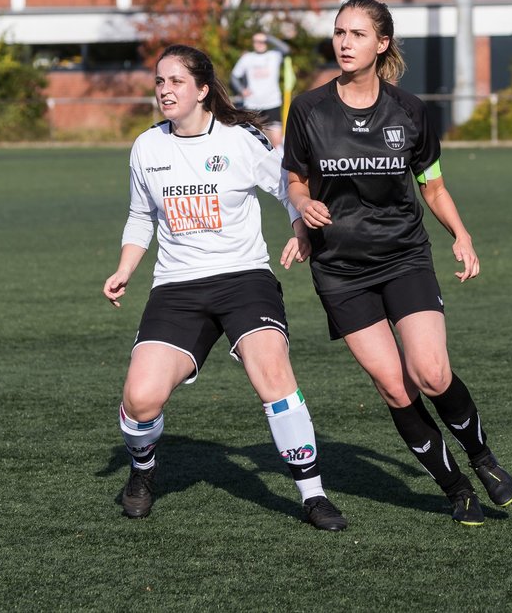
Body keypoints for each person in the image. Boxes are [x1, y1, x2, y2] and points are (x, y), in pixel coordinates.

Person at [282, 0, 512, 527]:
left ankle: (481, 457)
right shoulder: (309, 109)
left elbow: (431, 184)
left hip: (404, 256)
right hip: (340, 270)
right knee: (394, 386)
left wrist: (461, 234)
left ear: (381, 43)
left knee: (431, 373)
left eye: (357, 34)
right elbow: (294, 177)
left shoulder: (409, 110)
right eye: (339, 32)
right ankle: (454, 488)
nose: (344, 42)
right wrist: (302, 206)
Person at [102, 44, 346, 531]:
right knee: (140, 397)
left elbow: (286, 186)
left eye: (175, 82)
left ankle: (313, 494)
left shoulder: (239, 139)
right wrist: (126, 266)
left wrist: (300, 227)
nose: (165, 91)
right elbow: (139, 216)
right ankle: (143, 472)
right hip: (177, 286)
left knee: (272, 372)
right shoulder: (147, 147)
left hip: (244, 278)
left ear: (202, 90)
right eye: (159, 82)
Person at [231, 32, 287, 147]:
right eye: (256, 41)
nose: (259, 44)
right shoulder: (247, 58)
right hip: (252, 104)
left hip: (272, 103)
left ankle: (278, 165)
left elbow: (286, 49)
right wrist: (241, 90)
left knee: (277, 142)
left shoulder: (274, 55)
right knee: (253, 142)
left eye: (262, 41)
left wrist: (269, 37)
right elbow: (234, 76)